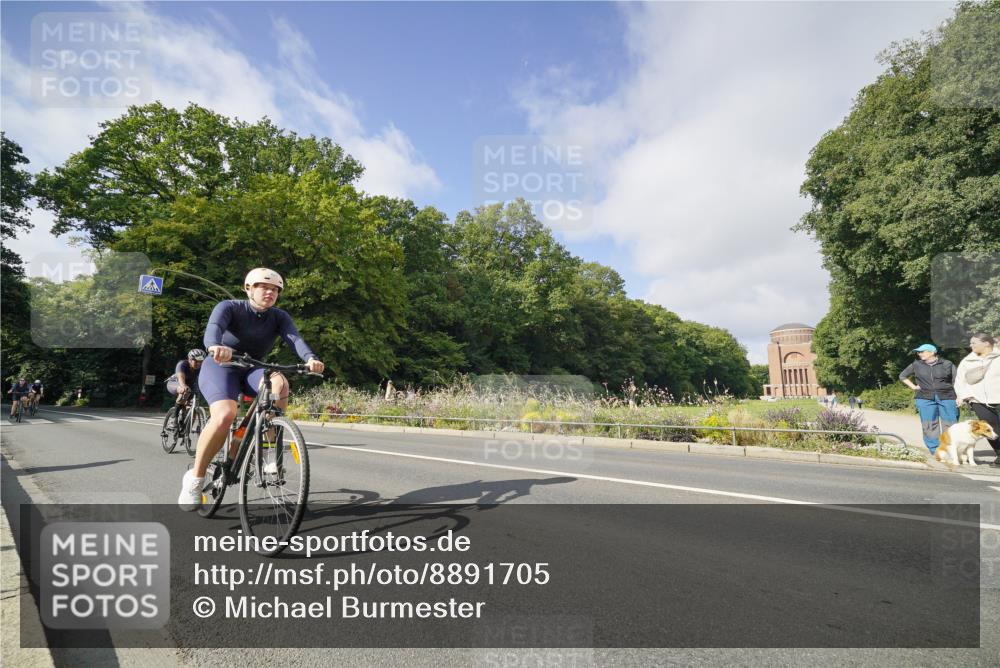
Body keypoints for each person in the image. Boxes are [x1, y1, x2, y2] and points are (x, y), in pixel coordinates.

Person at [177, 268, 324, 510]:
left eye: (275, 289)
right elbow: (213, 329)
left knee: (280, 383)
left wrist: (311, 358)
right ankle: (195, 478)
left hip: (253, 368)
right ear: (248, 288)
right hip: (221, 366)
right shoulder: (229, 307)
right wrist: (215, 346)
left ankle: (269, 455)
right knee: (225, 415)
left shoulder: (278, 316)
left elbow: (295, 339)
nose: (270, 292)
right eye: (264, 287)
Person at [899, 343, 958, 456]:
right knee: (929, 424)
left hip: (947, 396)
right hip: (924, 398)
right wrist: (913, 387)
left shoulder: (947, 364)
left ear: (932, 352)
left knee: (951, 424)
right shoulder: (916, 365)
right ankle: (935, 450)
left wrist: (960, 396)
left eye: (922, 351)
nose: (919, 354)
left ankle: (951, 449)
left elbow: (957, 380)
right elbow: (902, 376)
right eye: (918, 352)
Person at [954, 333, 1000, 467]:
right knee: (990, 428)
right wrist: (962, 395)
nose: (970, 345)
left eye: (974, 343)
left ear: (986, 343)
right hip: (977, 400)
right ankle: (999, 454)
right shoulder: (967, 361)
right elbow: (960, 380)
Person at [165, 348, 205, 429]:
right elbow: (181, 377)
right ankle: (173, 418)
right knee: (184, 391)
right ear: (189, 360)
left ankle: (186, 429)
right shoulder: (182, 364)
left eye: (201, 361)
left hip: (190, 386)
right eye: (196, 361)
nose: (199, 363)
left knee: (193, 407)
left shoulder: (202, 368)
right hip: (175, 383)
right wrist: (183, 386)